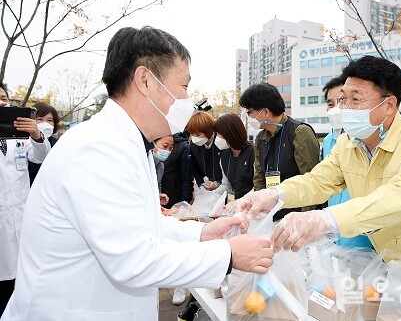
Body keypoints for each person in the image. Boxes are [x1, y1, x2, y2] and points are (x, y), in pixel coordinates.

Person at [0, 26, 273, 321]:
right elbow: (134, 258)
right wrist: (229, 255)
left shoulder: (128, 144)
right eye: (183, 87)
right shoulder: (97, 148)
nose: (186, 100)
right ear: (144, 80)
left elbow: (141, 226)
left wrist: (204, 232)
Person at [239, 56, 401, 320]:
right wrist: (275, 194)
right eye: (343, 99)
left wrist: (325, 218)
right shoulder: (349, 143)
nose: (345, 108)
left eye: (356, 99)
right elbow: (318, 180)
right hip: (397, 267)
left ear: (389, 105)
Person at [0, 84, 51, 316]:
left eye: (4, 98)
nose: (3, 103)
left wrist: (36, 135)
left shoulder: (17, 135)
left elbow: (41, 157)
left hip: (20, 218)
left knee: (19, 284)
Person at [239, 82, 320, 221]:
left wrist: (304, 220)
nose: (249, 117)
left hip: (296, 215)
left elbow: (311, 180)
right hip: (271, 214)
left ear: (265, 112)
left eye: (250, 112)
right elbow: (259, 177)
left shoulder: (299, 132)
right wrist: (260, 209)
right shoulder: (261, 138)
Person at [322, 76, 372, 249]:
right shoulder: (329, 141)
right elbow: (321, 181)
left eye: (341, 100)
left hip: (363, 237)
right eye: (330, 103)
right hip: (336, 235)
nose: (337, 108)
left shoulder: (367, 138)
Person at [213, 113, 254, 201]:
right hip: (235, 206)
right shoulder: (225, 155)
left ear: (230, 133)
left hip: (252, 204)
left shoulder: (253, 153)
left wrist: (242, 201)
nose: (217, 138)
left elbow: (259, 185)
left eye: (220, 134)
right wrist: (211, 196)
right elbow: (226, 185)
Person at [186, 111, 223, 190]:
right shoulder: (193, 145)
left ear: (208, 131)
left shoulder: (221, 142)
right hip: (205, 188)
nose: (195, 138)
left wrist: (218, 182)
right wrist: (201, 183)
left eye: (198, 135)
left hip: (223, 187)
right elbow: (195, 168)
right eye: (192, 134)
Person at [28, 102, 61, 185]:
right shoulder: (22, 142)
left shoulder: (59, 145)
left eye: (49, 120)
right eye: (40, 119)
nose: (45, 123)